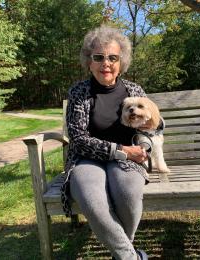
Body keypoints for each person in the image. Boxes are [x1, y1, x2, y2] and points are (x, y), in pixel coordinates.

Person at [61, 25, 153, 260]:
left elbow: (150, 125)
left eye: (113, 57)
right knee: (92, 202)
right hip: (87, 160)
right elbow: (79, 140)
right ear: (89, 62)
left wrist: (144, 147)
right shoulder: (79, 92)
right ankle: (130, 257)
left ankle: (121, 254)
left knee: (128, 194)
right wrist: (121, 150)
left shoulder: (134, 90)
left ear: (121, 61)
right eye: (99, 57)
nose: (106, 63)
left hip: (129, 159)